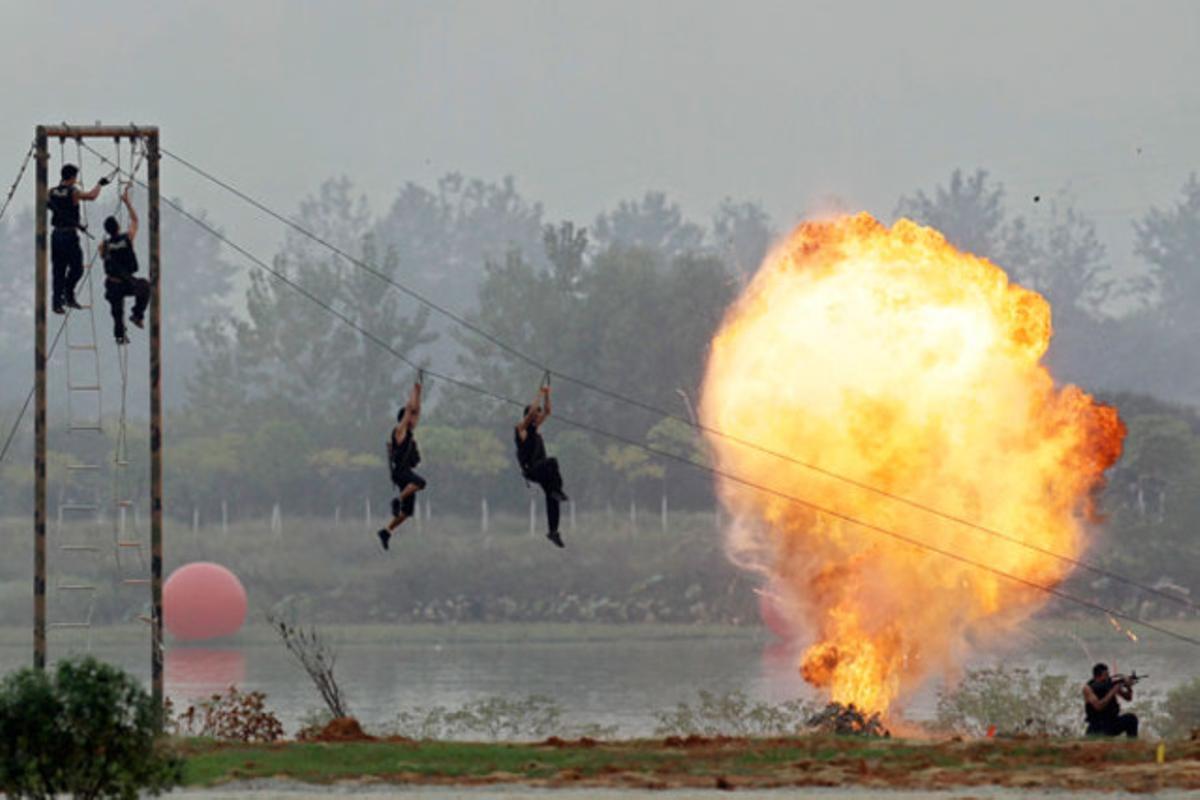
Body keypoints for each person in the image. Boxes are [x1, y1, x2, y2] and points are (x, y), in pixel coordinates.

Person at [47, 164, 107, 314]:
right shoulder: (73, 192)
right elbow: (92, 196)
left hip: (56, 235)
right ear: (73, 177)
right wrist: (100, 184)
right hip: (69, 236)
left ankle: (57, 303)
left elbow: (51, 207)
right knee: (77, 268)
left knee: (58, 270)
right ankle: (68, 293)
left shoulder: (51, 192)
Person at [515, 383, 569, 548]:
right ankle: (557, 490)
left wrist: (547, 394)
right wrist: (539, 393)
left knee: (552, 499)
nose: (539, 419)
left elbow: (548, 411)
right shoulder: (521, 430)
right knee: (553, 461)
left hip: (542, 470)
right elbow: (533, 412)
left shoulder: (536, 433)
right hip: (532, 470)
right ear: (529, 417)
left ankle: (553, 531)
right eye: (536, 417)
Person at [377, 379, 425, 551]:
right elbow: (410, 410)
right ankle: (397, 499)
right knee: (421, 483)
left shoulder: (410, 432)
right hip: (400, 472)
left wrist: (419, 391)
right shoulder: (399, 431)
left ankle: (387, 530)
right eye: (410, 417)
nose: (414, 419)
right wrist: (413, 390)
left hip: (405, 473)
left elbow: (416, 410)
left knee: (407, 512)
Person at [98, 186, 150, 345]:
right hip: (127, 282)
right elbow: (135, 221)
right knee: (145, 287)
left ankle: (119, 336)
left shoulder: (103, 246)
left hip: (113, 284)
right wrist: (127, 203)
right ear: (118, 227)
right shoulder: (127, 238)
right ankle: (137, 314)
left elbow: (103, 259)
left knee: (117, 313)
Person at [1084, 663, 1139, 737]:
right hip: (1097, 726)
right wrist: (1113, 691)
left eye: (1108, 674)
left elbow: (1128, 698)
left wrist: (1128, 687)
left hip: (1111, 722)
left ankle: (1132, 744)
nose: (1108, 677)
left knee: (1131, 719)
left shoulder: (1110, 684)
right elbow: (1099, 706)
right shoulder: (1088, 688)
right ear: (1097, 676)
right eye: (1106, 675)